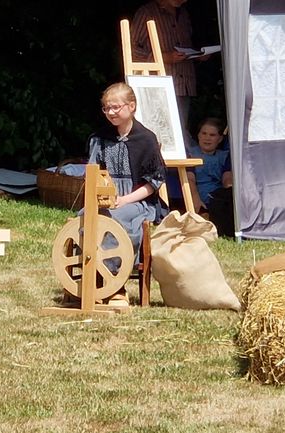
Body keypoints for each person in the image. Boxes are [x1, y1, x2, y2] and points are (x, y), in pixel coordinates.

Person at [86, 82, 166, 306]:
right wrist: (103, 196)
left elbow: (154, 182)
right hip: (107, 199)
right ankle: (88, 281)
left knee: (117, 221)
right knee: (86, 217)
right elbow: (94, 173)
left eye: (116, 107)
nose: (110, 112)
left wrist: (124, 200)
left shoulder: (146, 139)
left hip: (138, 201)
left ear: (131, 107)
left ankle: (114, 285)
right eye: (106, 108)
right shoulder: (100, 138)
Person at [131, 0, 207, 146]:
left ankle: (182, 164)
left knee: (180, 128)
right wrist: (163, 57)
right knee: (161, 130)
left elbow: (186, 46)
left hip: (184, 82)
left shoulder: (184, 14)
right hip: (158, 82)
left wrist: (198, 55)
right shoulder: (147, 12)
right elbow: (132, 50)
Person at [186, 117, 234, 237]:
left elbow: (227, 178)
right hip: (197, 194)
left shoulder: (225, 156)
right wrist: (195, 199)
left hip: (218, 196)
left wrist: (230, 192)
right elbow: (189, 179)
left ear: (220, 139)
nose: (207, 138)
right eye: (204, 133)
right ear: (198, 135)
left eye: (212, 135)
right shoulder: (190, 154)